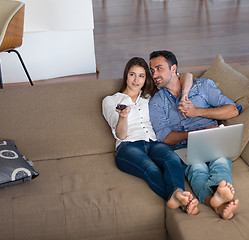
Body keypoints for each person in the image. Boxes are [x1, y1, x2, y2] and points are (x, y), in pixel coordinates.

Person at [148, 50, 240, 220]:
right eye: (152, 70)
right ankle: (219, 202)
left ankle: (216, 201)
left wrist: (197, 112)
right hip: (184, 146)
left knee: (220, 162)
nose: (154, 74)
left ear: (174, 68)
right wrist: (194, 134)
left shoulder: (202, 86)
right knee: (196, 169)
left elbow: (232, 110)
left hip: (213, 140)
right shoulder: (156, 102)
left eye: (159, 68)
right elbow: (165, 137)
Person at [102, 57, 199, 215]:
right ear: (126, 75)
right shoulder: (111, 100)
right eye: (132, 74)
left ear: (146, 78)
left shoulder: (150, 98)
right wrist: (123, 117)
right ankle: (181, 201)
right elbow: (121, 135)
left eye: (141, 76)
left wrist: (185, 93)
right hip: (128, 147)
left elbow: (185, 75)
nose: (136, 80)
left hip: (154, 144)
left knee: (173, 159)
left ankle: (177, 195)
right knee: (151, 169)